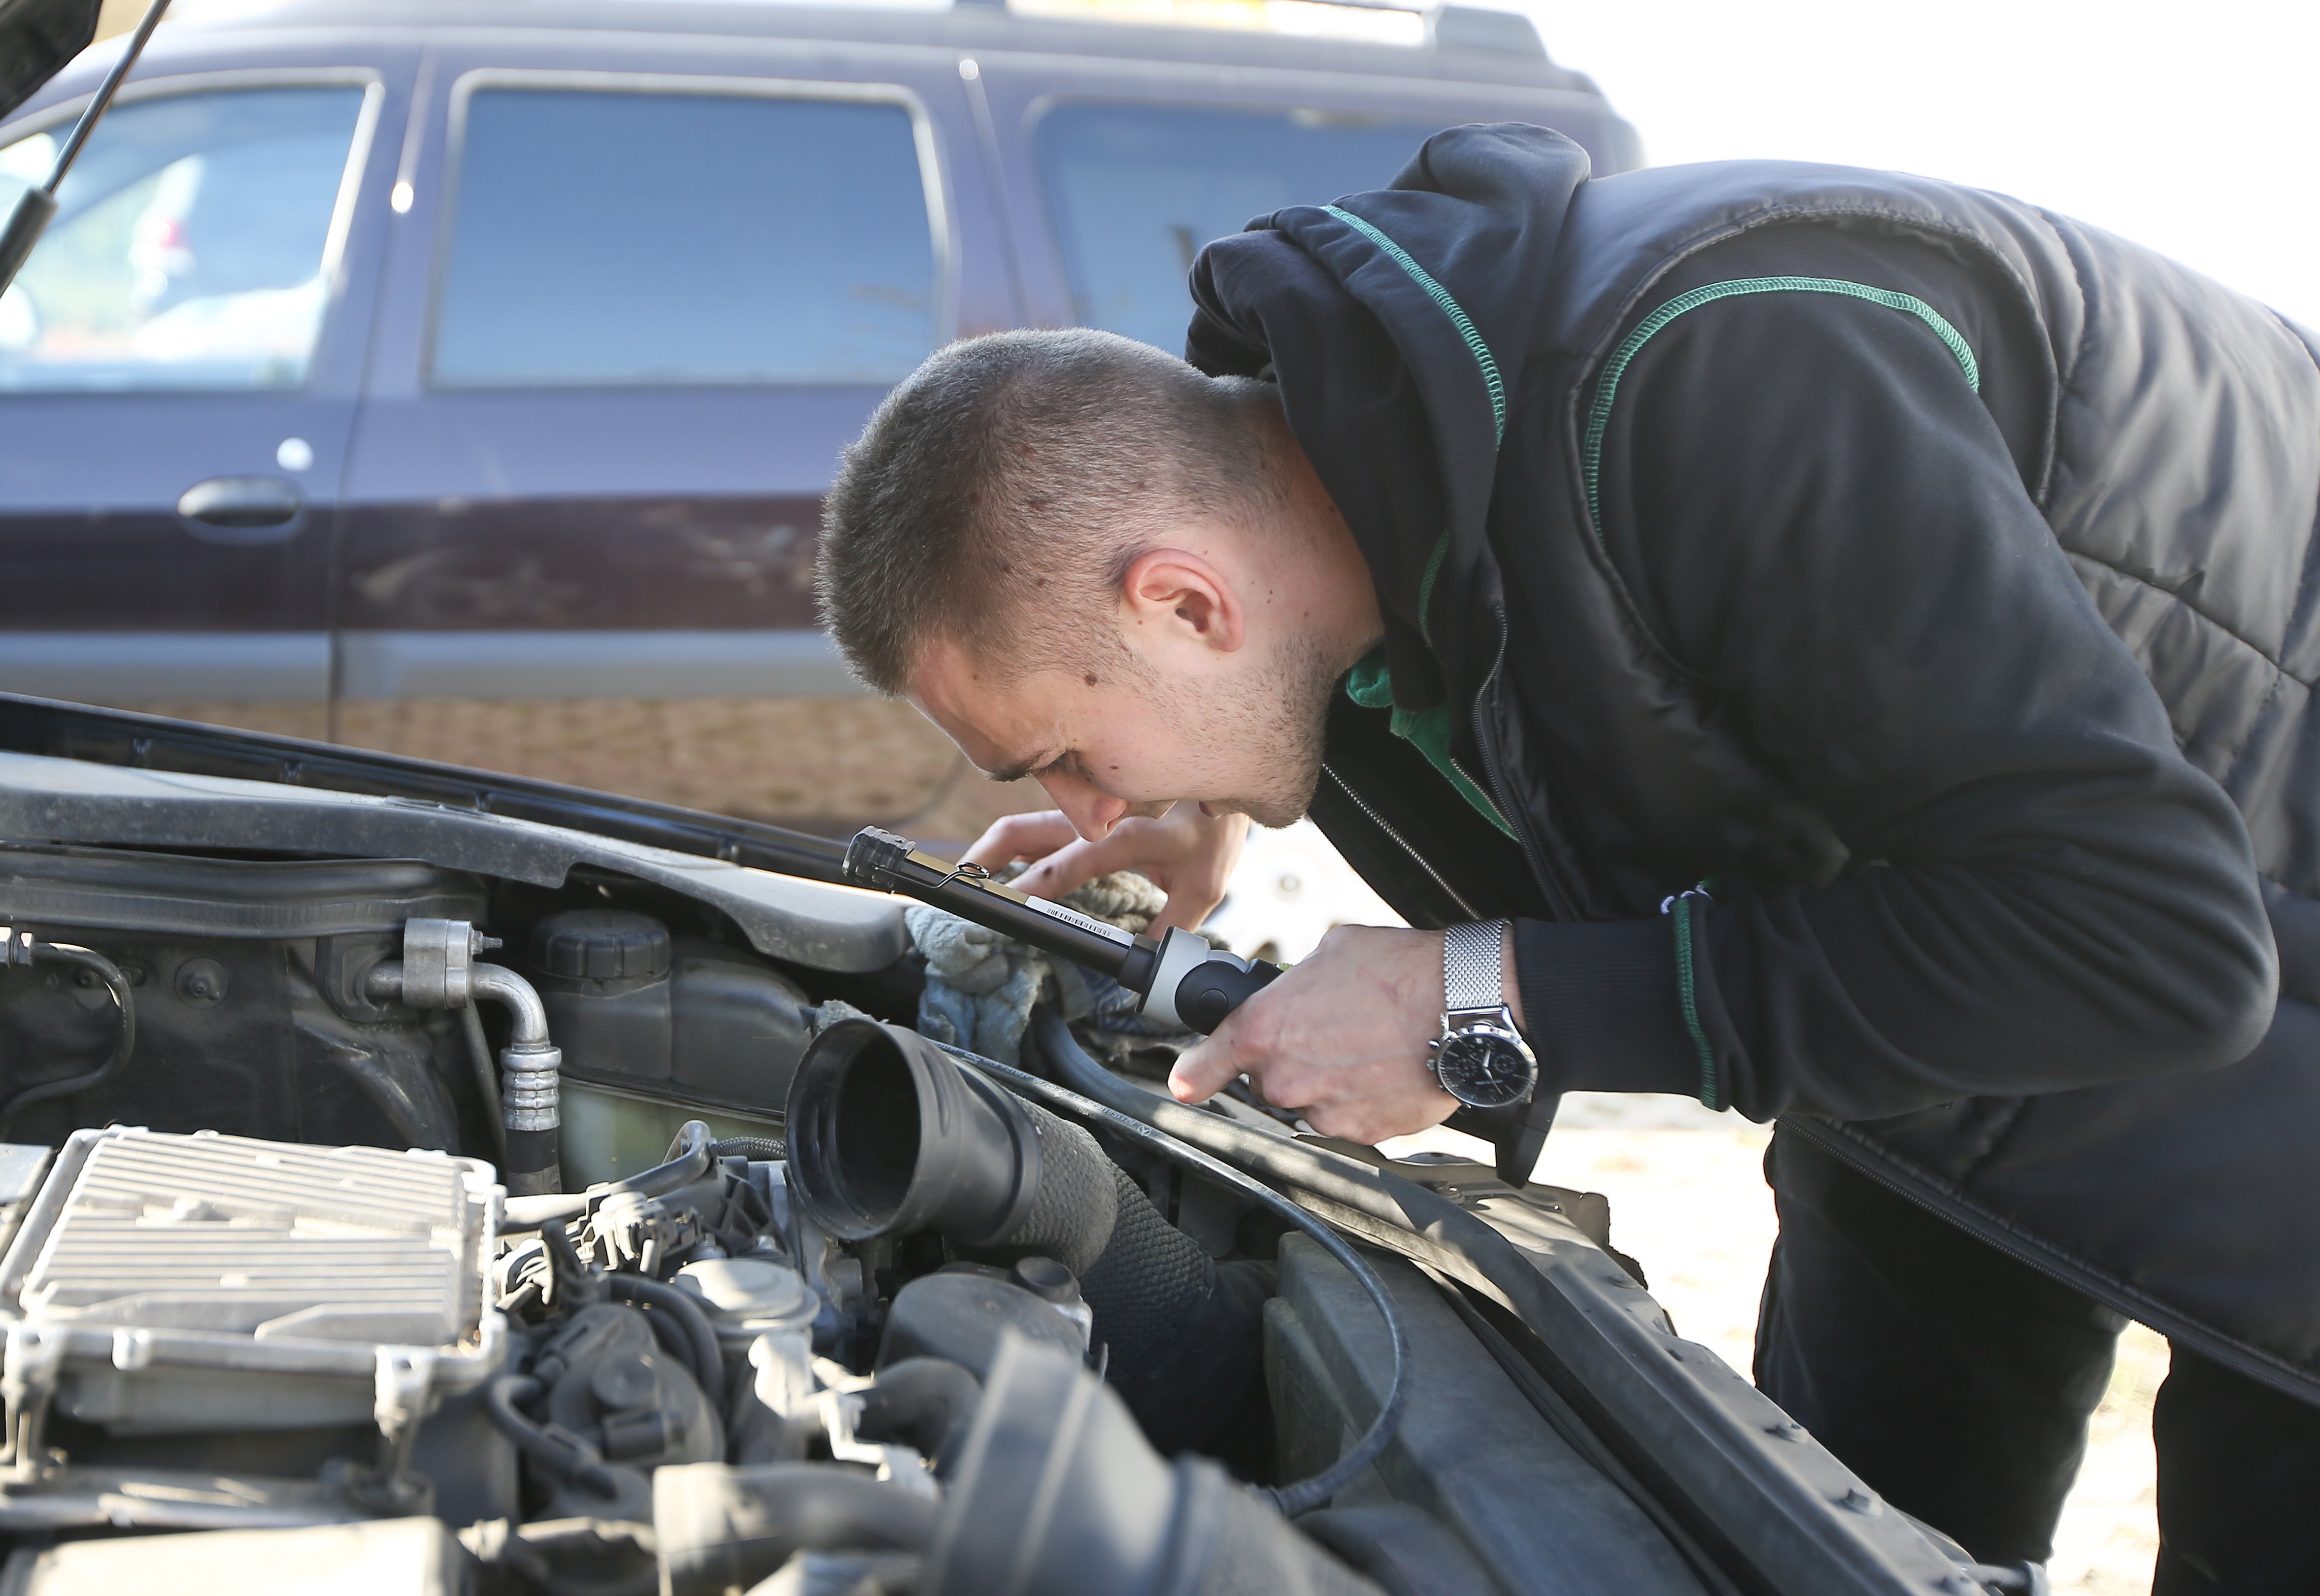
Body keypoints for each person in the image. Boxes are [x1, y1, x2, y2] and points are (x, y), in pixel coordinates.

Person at [812, 124, 2320, 1593]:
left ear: (1188, 607)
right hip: (1944, 981)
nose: (1084, 809)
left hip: (2241, 970)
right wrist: (1200, 793)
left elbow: (2156, 945)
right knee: (1838, 1526)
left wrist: (1482, 996)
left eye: (1067, 757)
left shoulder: (1724, 389)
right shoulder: (1343, 523)